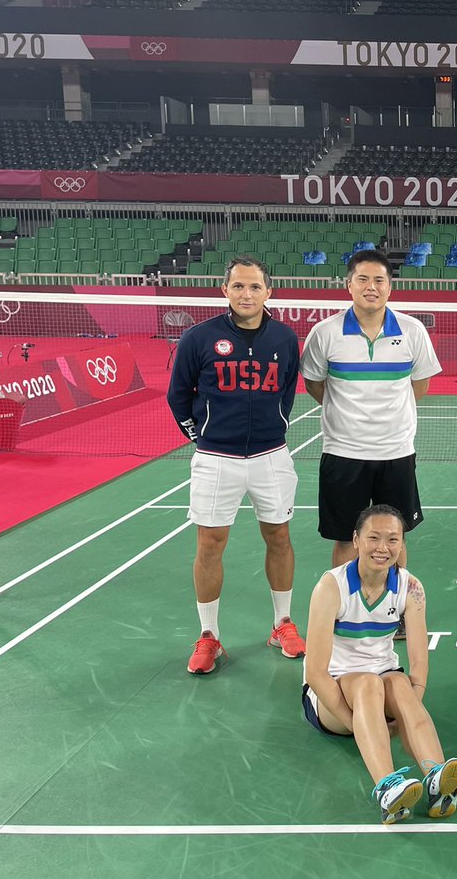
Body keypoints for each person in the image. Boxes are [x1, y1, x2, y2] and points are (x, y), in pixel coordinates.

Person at [167, 256, 304, 675]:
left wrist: (273, 428)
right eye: (239, 287)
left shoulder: (284, 338)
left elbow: (286, 392)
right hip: (215, 459)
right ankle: (208, 636)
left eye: (255, 287)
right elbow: (178, 395)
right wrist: (202, 438)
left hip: (270, 456)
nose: (247, 294)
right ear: (224, 290)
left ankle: (282, 623)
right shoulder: (198, 337)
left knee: (279, 537)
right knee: (210, 544)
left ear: (269, 291)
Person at [302, 504, 457, 824]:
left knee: (399, 682)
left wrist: (406, 715)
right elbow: (315, 673)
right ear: (356, 540)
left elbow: (419, 665)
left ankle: (436, 779)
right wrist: (358, 725)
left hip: (384, 684)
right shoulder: (331, 587)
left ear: (402, 545)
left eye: (393, 540)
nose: (383, 548)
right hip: (332, 694)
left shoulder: (411, 588)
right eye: (374, 538)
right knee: (367, 682)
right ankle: (388, 788)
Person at [300, 249, 441, 571]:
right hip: (344, 452)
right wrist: (347, 412)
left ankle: (398, 608)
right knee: (346, 537)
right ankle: (345, 610)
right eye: (362, 279)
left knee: (395, 536)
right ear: (348, 285)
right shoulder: (325, 333)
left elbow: (420, 385)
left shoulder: (412, 331)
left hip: (396, 451)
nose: (371, 287)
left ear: (390, 287)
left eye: (379, 280)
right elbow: (314, 384)